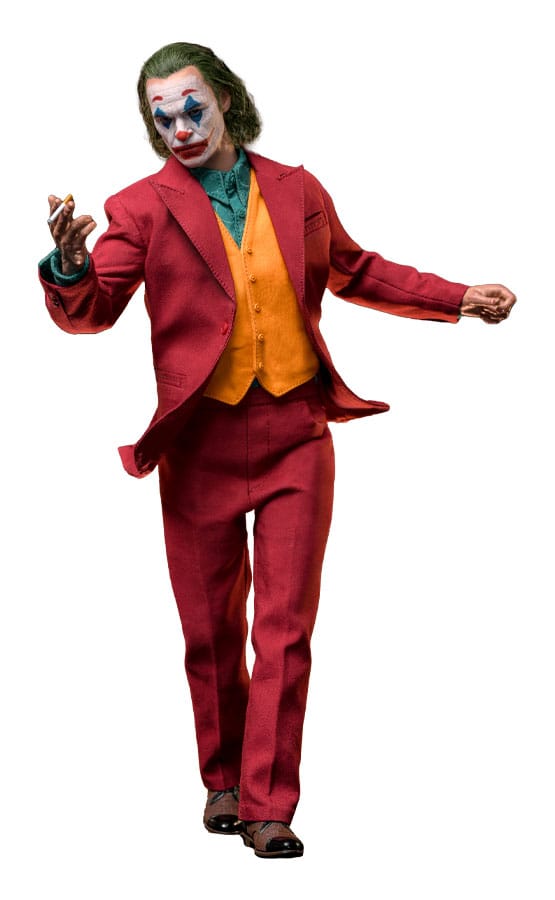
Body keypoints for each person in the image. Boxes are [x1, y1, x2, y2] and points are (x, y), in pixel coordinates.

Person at [39, 41, 516, 859]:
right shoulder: (140, 207)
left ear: (225, 99)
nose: (181, 128)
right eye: (162, 117)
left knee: (284, 629)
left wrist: (455, 297)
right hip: (199, 443)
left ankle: (268, 805)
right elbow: (90, 312)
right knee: (208, 629)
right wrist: (71, 264)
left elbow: (356, 270)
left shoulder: (297, 190)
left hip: (296, 432)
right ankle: (223, 781)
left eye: (193, 108)